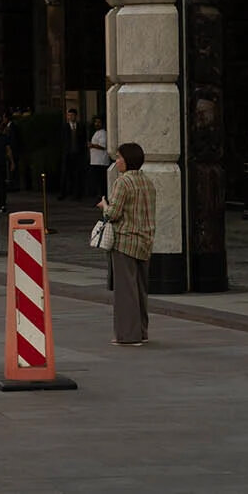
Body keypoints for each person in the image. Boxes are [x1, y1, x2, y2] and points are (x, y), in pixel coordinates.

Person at [98, 142, 156, 347]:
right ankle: (142, 330)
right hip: (144, 239)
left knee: (126, 290)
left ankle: (128, 335)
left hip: (125, 241)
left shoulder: (123, 183)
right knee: (140, 289)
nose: (117, 161)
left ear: (128, 160)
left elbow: (113, 214)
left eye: (120, 157)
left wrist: (105, 205)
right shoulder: (147, 182)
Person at [86, 114, 111, 200]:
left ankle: (103, 198)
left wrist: (92, 145)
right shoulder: (96, 133)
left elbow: (103, 146)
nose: (96, 124)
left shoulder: (103, 133)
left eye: (98, 122)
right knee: (97, 181)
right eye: (95, 122)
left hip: (101, 162)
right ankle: (99, 197)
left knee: (101, 182)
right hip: (95, 161)